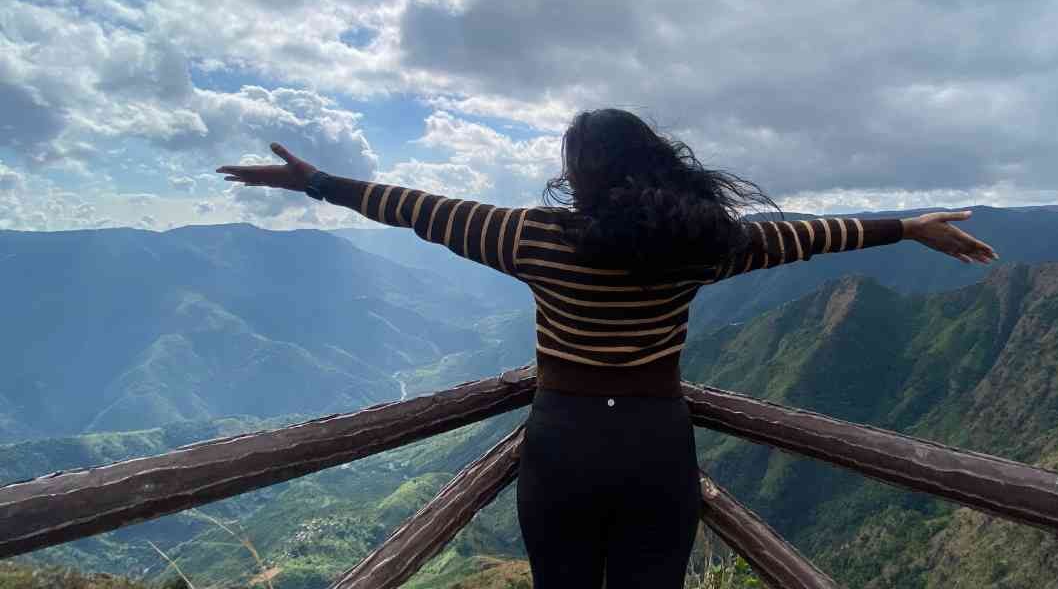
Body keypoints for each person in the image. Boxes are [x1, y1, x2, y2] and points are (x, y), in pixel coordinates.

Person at [217, 107, 998, 589]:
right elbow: (809, 237)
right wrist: (906, 226)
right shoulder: (703, 244)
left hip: (565, 440)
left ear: (580, 175)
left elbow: (417, 208)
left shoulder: (530, 235)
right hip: (656, 441)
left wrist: (315, 181)